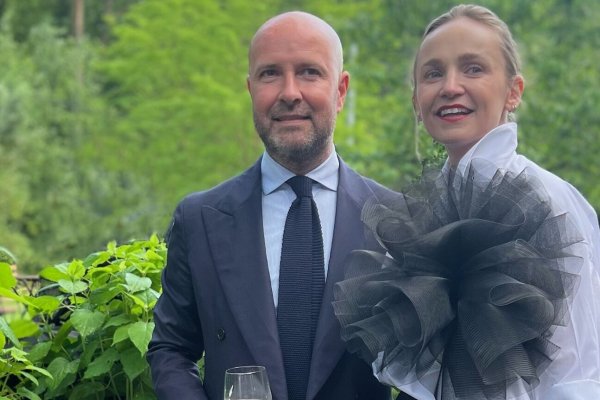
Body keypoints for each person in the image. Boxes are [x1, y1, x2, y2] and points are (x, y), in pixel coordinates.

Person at [333, 4, 600, 400]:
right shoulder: (419, 217)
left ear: (513, 91)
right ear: (416, 102)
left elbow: (579, 372)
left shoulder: (549, 201)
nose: (450, 86)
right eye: (433, 73)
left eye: (473, 68)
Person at [147, 11, 392, 400]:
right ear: (250, 89)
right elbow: (171, 349)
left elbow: (430, 366)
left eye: (310, 72)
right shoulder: (200, 222)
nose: (289, 92)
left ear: (341, 91)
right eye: (270, 74)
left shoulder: (395, 221)